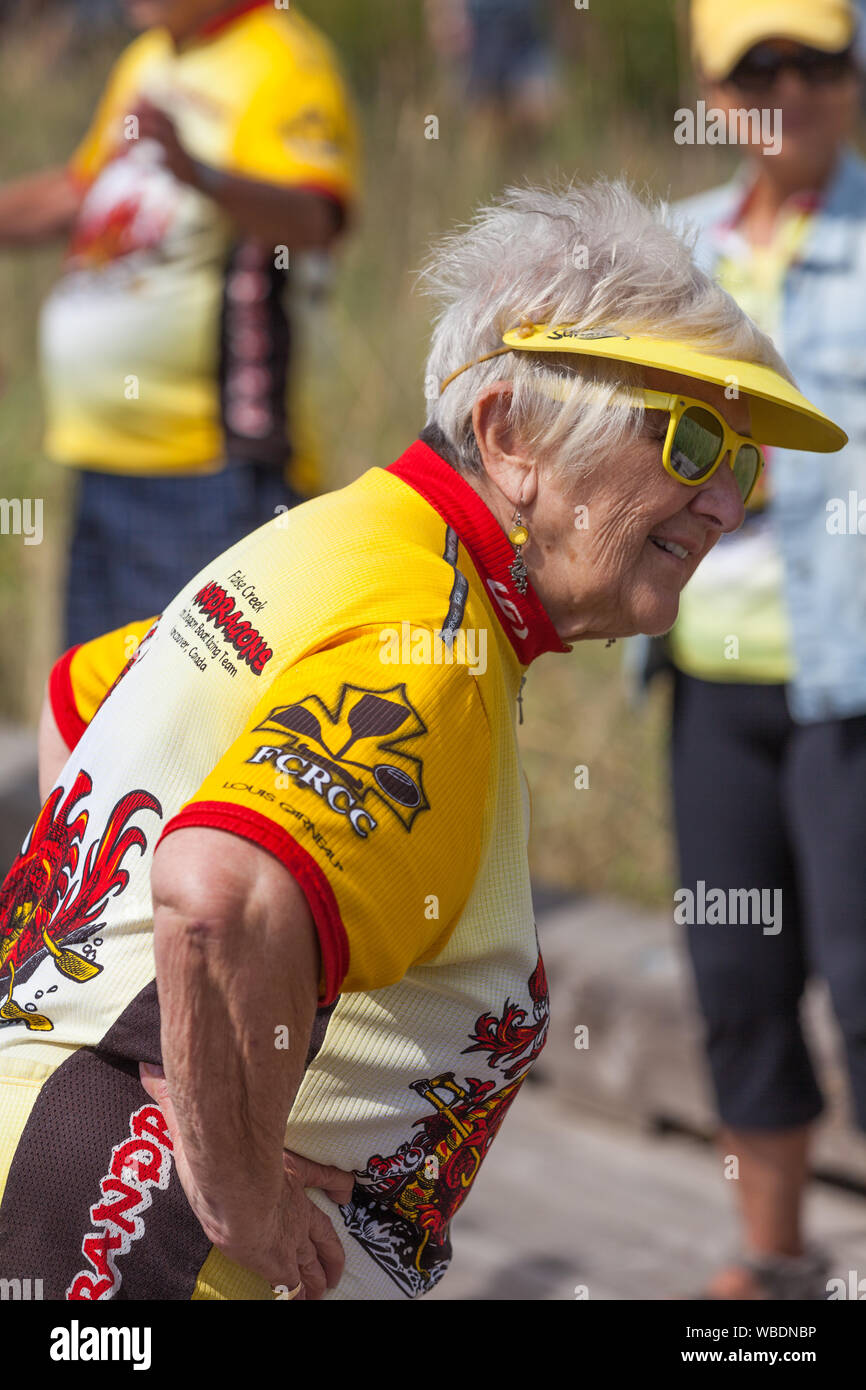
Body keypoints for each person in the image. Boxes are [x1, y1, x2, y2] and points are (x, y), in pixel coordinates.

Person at [0, 181, 844, 1300]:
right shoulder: (430, 644)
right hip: (137, 1248)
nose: (724, 503)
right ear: (511, 435)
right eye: (688, 439)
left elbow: (87, 699)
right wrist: (235, 1179)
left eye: (740, 463)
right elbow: (214, 895)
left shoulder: (355, 541)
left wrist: (103, 1018)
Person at [633, 0, 866, 1299]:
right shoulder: (669, 251)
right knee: (735, 975)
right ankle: (771, 1258)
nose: (794, 86)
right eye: (759, 65)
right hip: (708, 678)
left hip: (848, 682)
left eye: (820, 59)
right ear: (717, 93)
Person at [0, 0, 358, 647]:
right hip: (100, 457)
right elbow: (80, 194)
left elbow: (315, 219)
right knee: (95, 710)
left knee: (205, 725)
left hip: (211, 472)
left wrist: (202, 173)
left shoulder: (284, 58)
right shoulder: (147, 57)